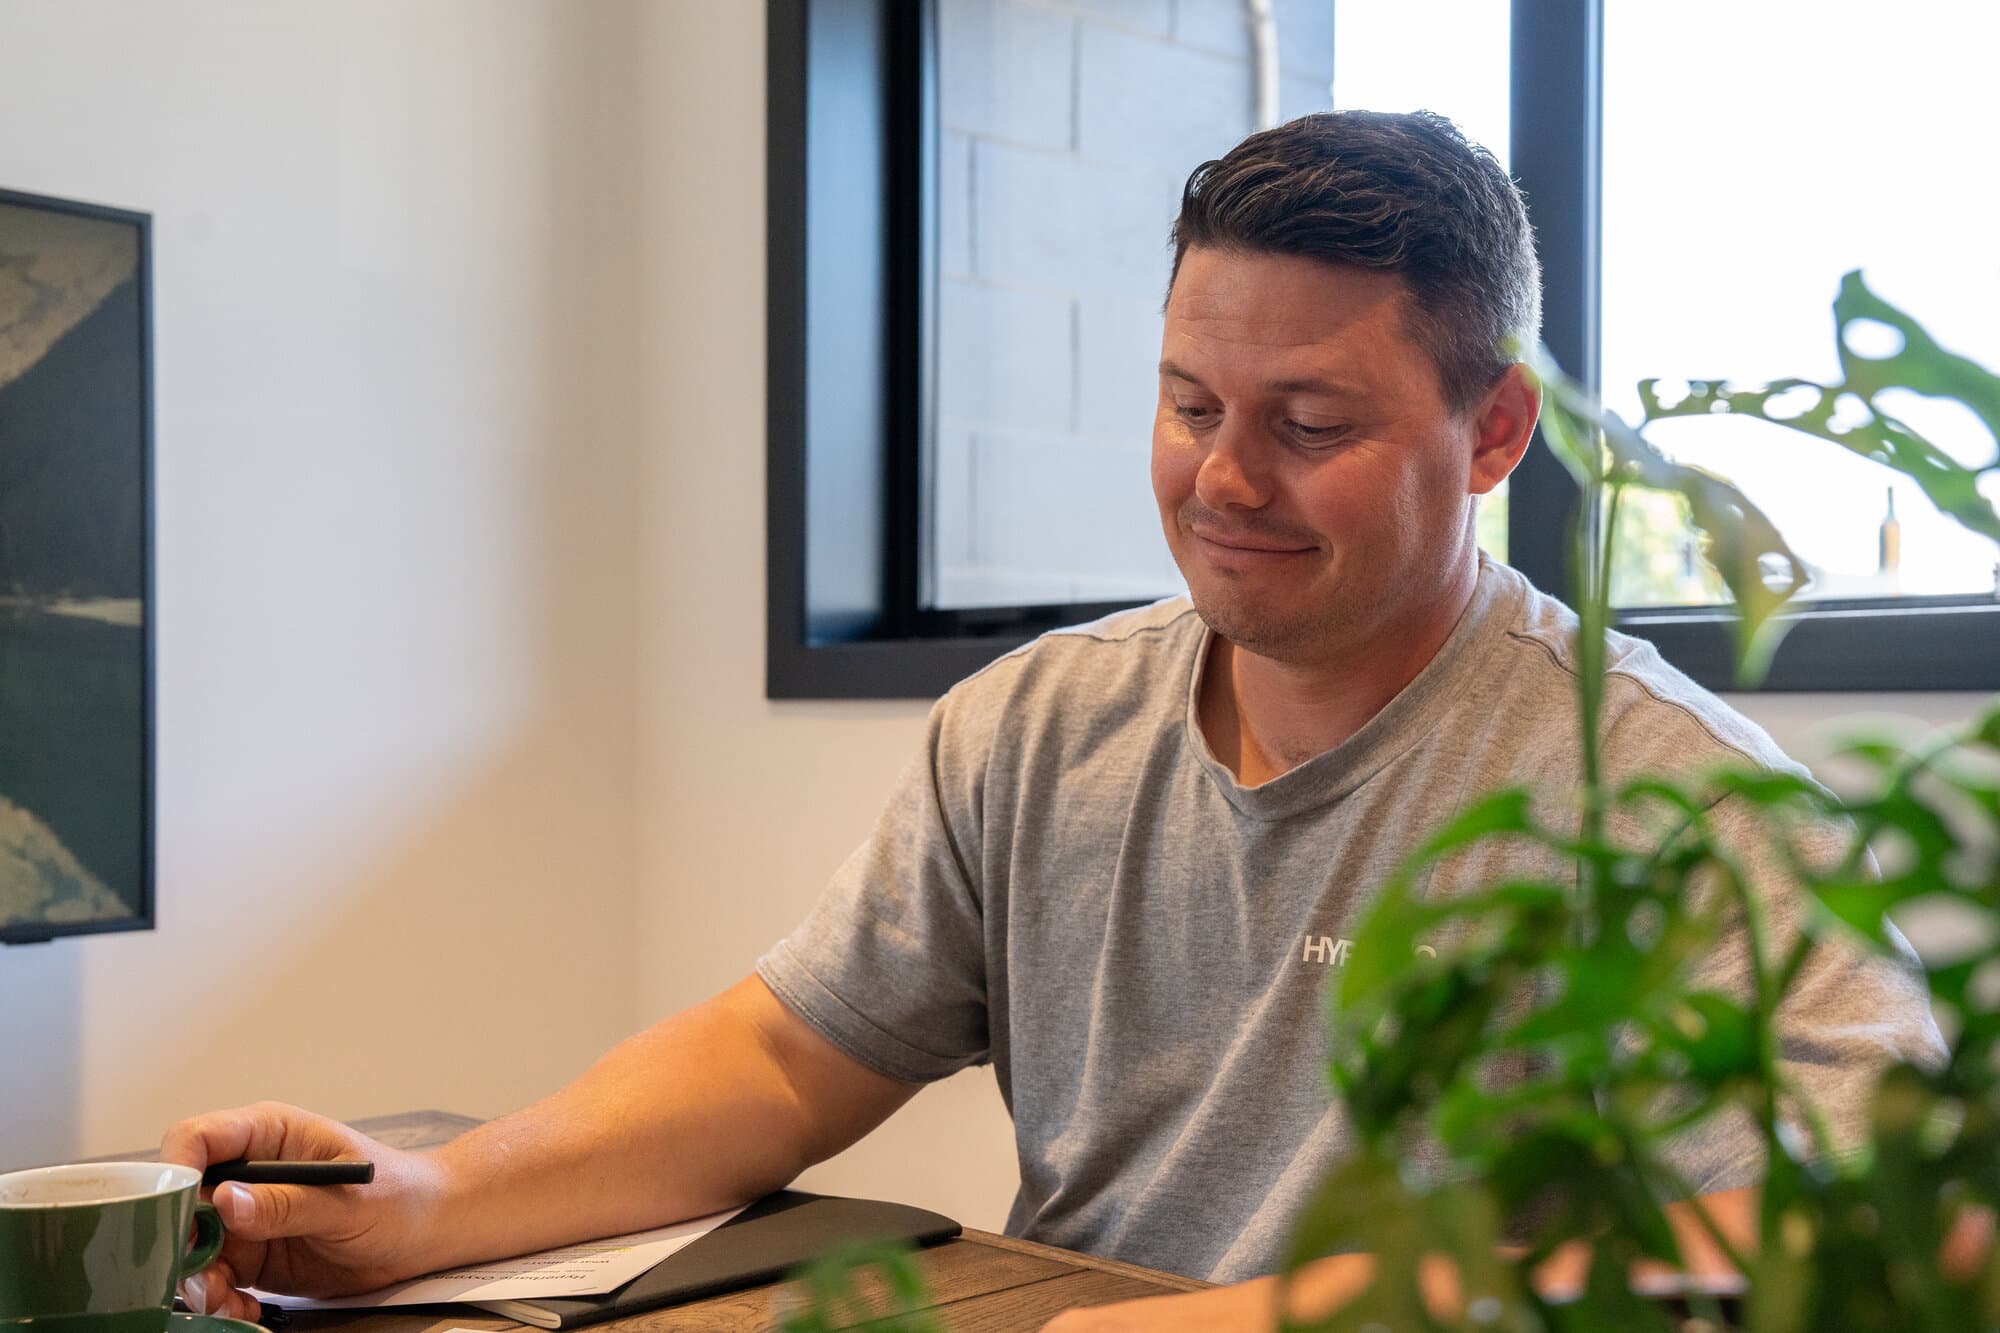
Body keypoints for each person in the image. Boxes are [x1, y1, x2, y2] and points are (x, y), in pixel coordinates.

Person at [162, 110, 1943, 1330]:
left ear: (1492, 435)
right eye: (1190, 404)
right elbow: (783, 1056)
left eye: (1311, 424)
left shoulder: (1659, 792)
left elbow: (1903, 1227)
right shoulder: (1037, 726)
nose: (1224, 478)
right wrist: (424, 1202)